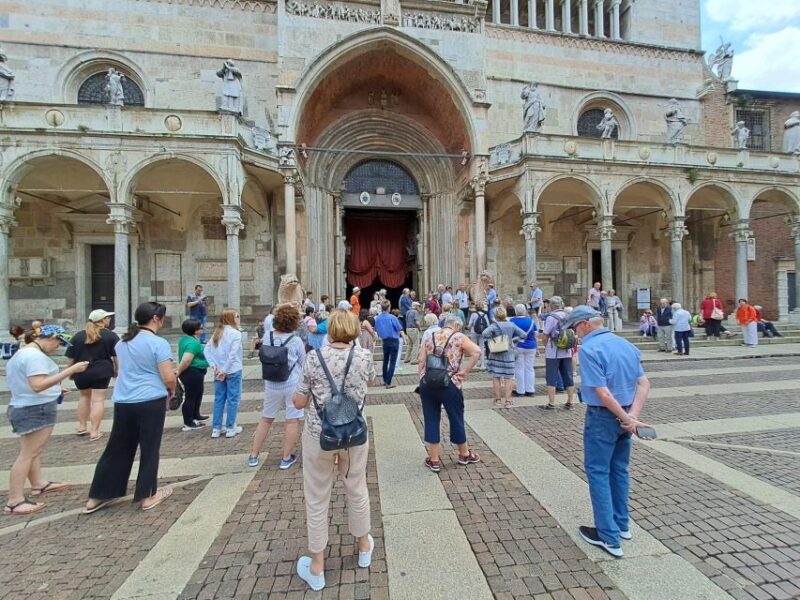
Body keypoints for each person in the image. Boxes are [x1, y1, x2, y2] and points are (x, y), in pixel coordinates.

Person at [292, 310, 376, 592]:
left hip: (320, 436)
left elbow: (299, 401)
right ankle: (364, 547)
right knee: (357, 488)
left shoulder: (314, 358)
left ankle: (317, 567)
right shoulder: (364, 356)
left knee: (317, 497)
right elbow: (370, 382)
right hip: (353, 435)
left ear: (329, 330)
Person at [562, 306, 651, 559]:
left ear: (585, 324)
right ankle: (622, 525)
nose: (575, 333)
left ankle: (608, 536)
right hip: (626, 413)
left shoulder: (589, 349)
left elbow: (602, 393)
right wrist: (632, 416)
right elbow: (643, 383)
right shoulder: (625, 344)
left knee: (598, 472)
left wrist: (626, 418)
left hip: (603, 417)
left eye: (575, 328)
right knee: (619, 470)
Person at [84, 303, 176, 514]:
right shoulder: (158, 343)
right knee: (149, 448)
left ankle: (99, 495)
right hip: (149, 399)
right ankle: (148, 495)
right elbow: (168, 377)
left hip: (124, 400)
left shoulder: (122, 342)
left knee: (117, 447)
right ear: (155, 318)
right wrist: (172, 389)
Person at [5, 326, 88, 515]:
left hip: (26, 405)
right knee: (28, 454)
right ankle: (15, 500)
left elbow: (31, 384)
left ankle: (38, 484)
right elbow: (37, 385)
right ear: (51, 337)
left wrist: (55, 390)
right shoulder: (35, 356)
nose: (58, 347)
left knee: (31, 452)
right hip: (35, 408)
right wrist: (71, 370)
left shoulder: (23, 353)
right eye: (58, 342)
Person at [418, 314, 482, 473]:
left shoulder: (430, 335)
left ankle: (434, 459)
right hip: (450, 382)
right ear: (457, 325)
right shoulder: (458, 337)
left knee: (431, 418)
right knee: (456, 417)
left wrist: (421, 378)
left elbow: (421, 359)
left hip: (429, 382)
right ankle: (464, 454)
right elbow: (477, 352)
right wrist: (465, 371)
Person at [249, 304, 307, 469]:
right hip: (291, 383)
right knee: (292, 421)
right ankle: (286, 457)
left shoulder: (268, 336)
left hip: (271, 383)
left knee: (266, 419)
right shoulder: (295, 341)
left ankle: (253, 455)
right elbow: (303, 362)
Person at [66, 309, 119, 441]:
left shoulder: (78, 336)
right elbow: (116, 356)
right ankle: (94, 431)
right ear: (103, 320)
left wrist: (70, 371)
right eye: (107, 317)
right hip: (102, 370)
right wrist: (117, 369)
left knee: (84, 397)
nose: (109, 319)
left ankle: (82, 426)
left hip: (81, 370)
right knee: (98, 400)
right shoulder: (111, 336)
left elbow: (70, 357)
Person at [204, 309, 244, 438]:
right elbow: (233, 354)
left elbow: (206, 351)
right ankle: (230, 427)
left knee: (219, 399)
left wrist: (214, 366)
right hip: (232, 369)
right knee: (233, 399)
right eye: (236, 316)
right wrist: (224, 370)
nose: (238, 318)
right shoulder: (235, 333)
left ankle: (216, 428)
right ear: (231, 318)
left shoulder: (217, 332)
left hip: (219, 370)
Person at [482, 306, 527, 408]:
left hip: (496, 354)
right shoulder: (511, 324)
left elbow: (484, 333)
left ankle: (497, 399)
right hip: (509, 354)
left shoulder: (494, 326)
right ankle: (508, 401)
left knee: (496, 376)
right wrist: (512, 340)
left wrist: (493, 338)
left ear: (496, 315)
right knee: (508, 378)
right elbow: (523, 335)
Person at [541, 296, 576, 409]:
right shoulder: (568, 315)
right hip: (567, 350)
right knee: (568, 376)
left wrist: (546, 346)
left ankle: (551, 403)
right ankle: (570, 401)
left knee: (551, 377)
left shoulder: (551, 317)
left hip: (553, 352)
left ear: (551, 305)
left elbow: (545, 335)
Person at [176, 318, 209, 432]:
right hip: (192, 372)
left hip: (194, 372)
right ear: (195, 330)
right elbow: (186, 360)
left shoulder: (185, 339)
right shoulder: (193, 343)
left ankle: (195, 415)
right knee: (191, 397)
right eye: (201, 328)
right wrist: (178, 371)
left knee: (197, 394)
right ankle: (188, 421)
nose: (202, 329)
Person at [375, 300, 407, 388]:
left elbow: (376, 329)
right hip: (393, 340)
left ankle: (385, 379)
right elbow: (399, 328)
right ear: (388, 307)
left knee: (385, 361)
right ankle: (388, 382)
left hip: (385, 340)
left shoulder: (378, 318)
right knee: (392, 362)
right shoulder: (392, 317)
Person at [511, 304, 538, 398]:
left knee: (519, 368)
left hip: (518, 346)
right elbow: (535, 334)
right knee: (529, 368)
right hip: (531, 346)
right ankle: (530, 390)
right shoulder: (531, 321)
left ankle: (520, 390)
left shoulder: (512, 321)